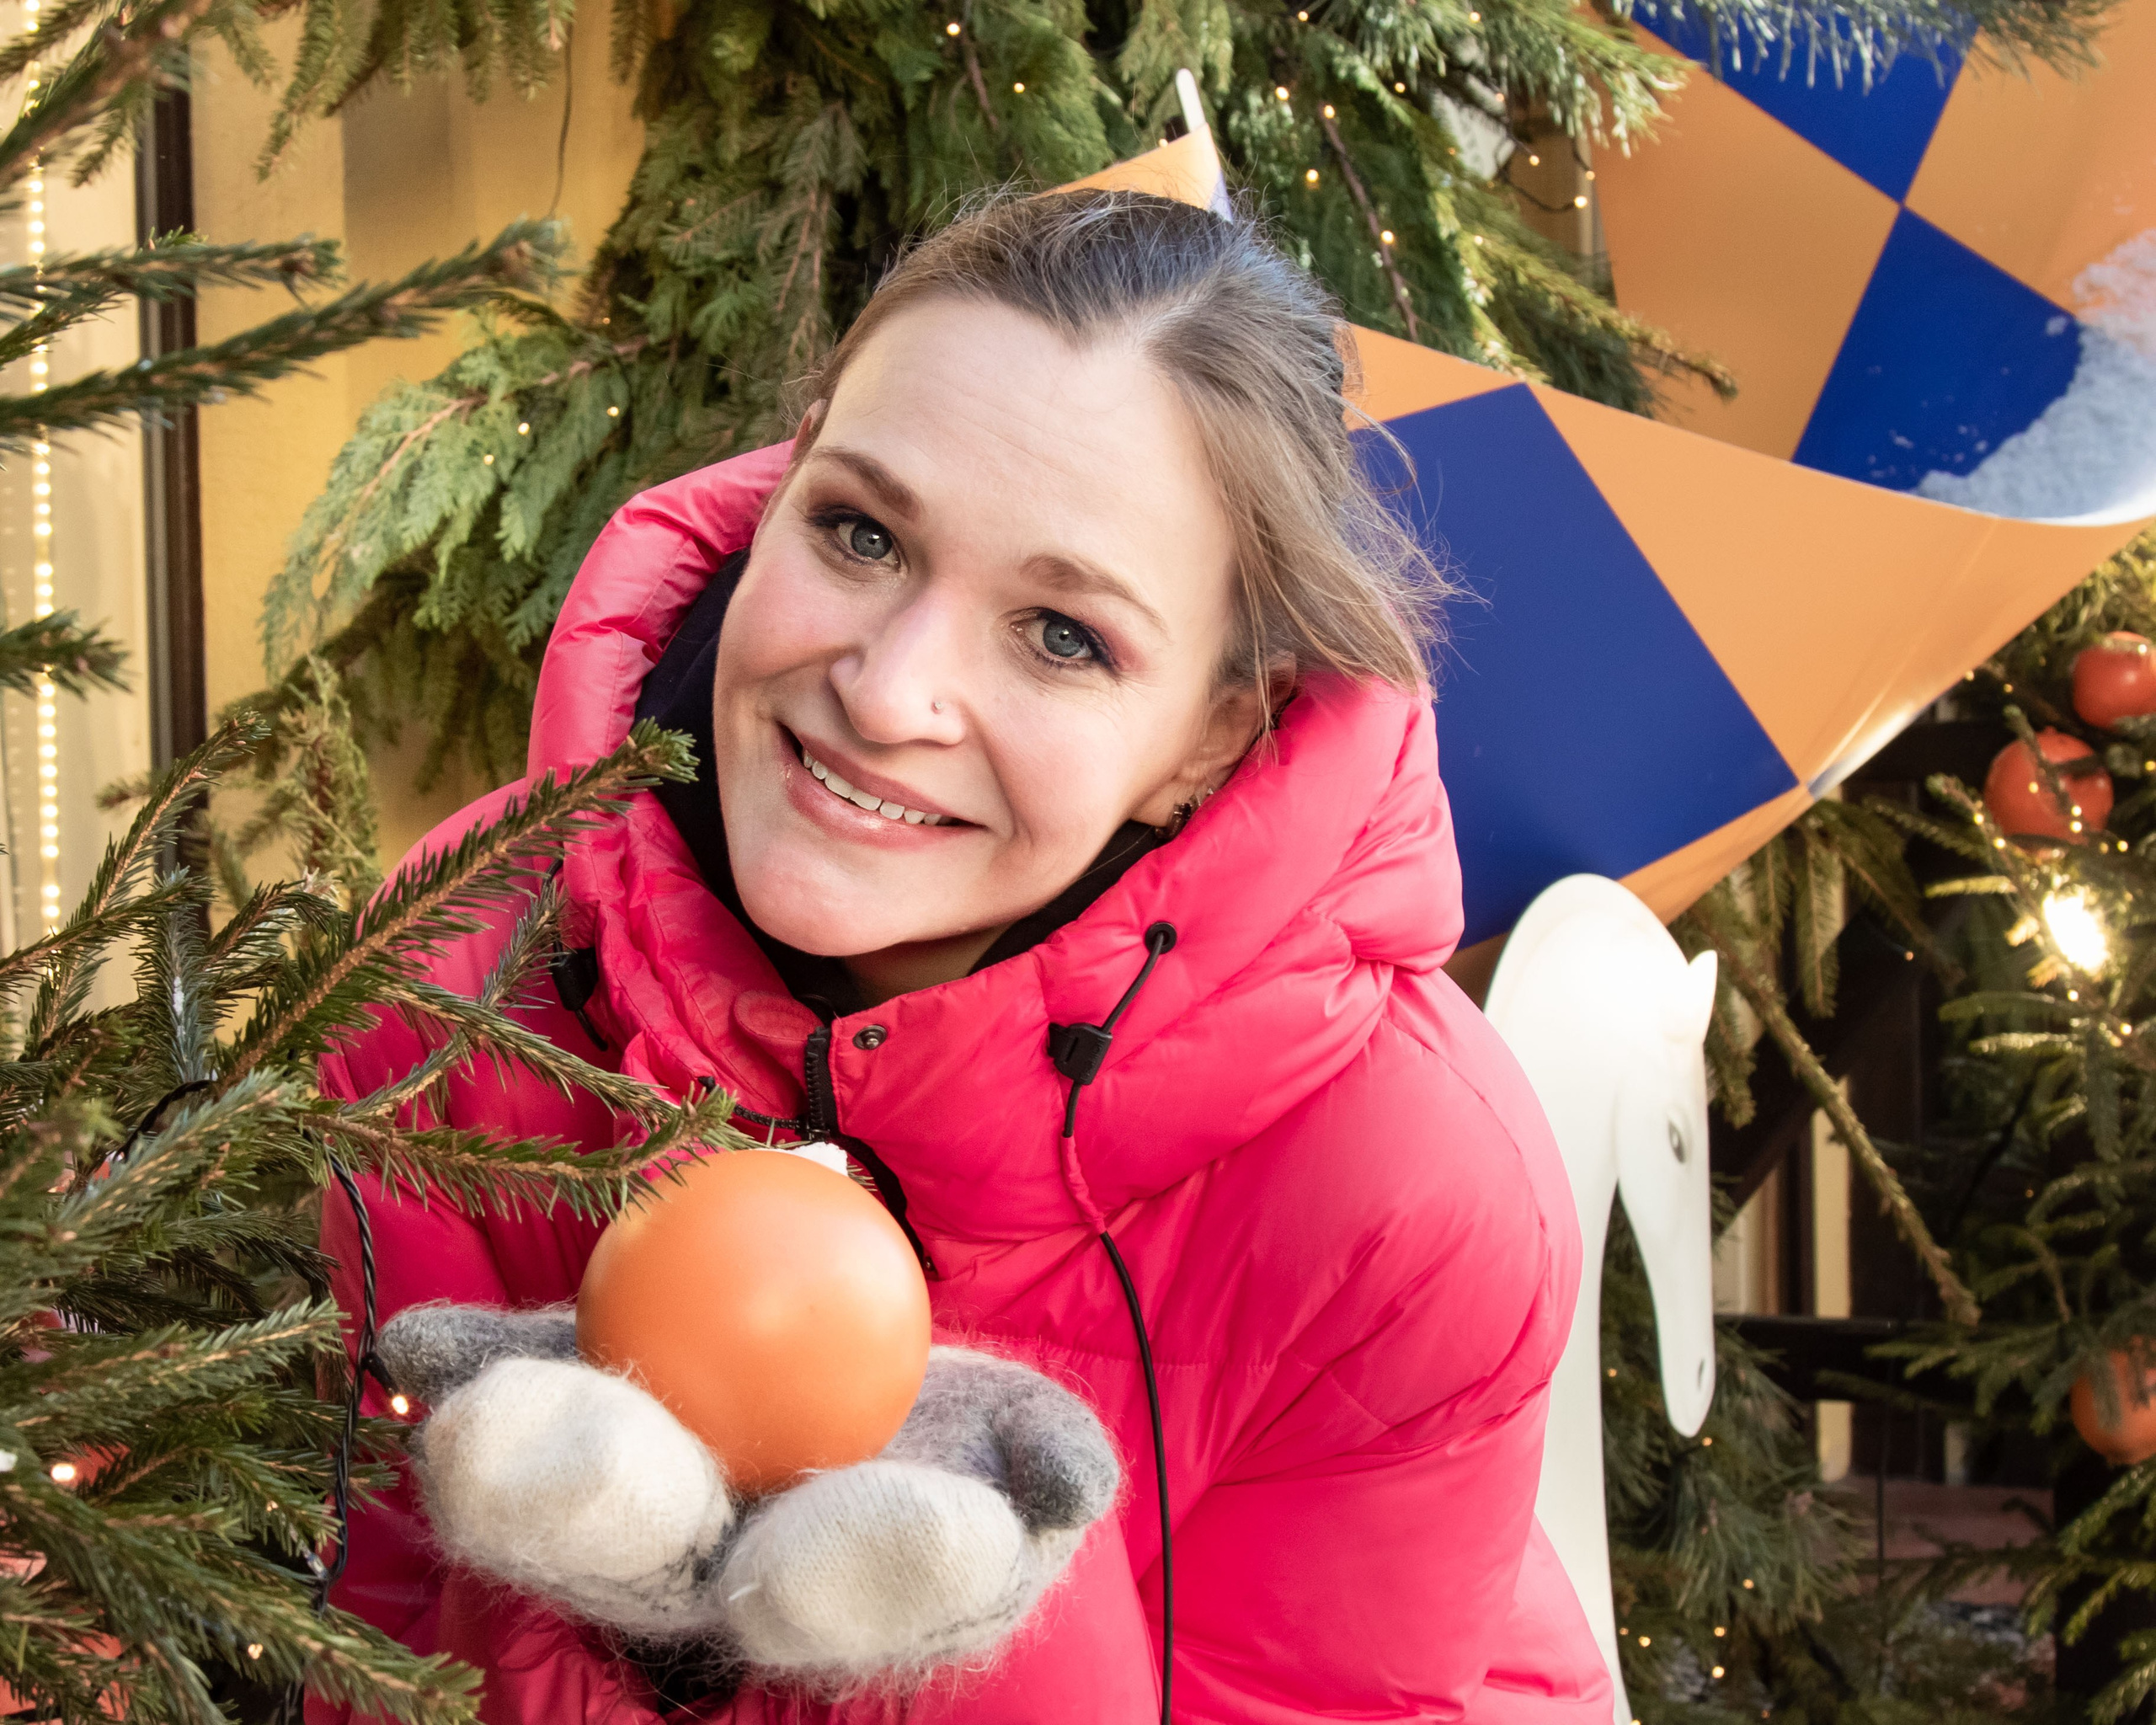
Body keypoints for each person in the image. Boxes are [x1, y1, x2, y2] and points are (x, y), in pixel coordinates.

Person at [317, 189, 1611, 1724]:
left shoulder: (1404, 1190)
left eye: (1063, 634)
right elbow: (335, 1637)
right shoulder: (466, 967)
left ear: (1213, 734)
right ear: (786, 484)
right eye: (860, 533)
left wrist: (971, 1622)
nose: (887, 693)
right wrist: (627, 1614)